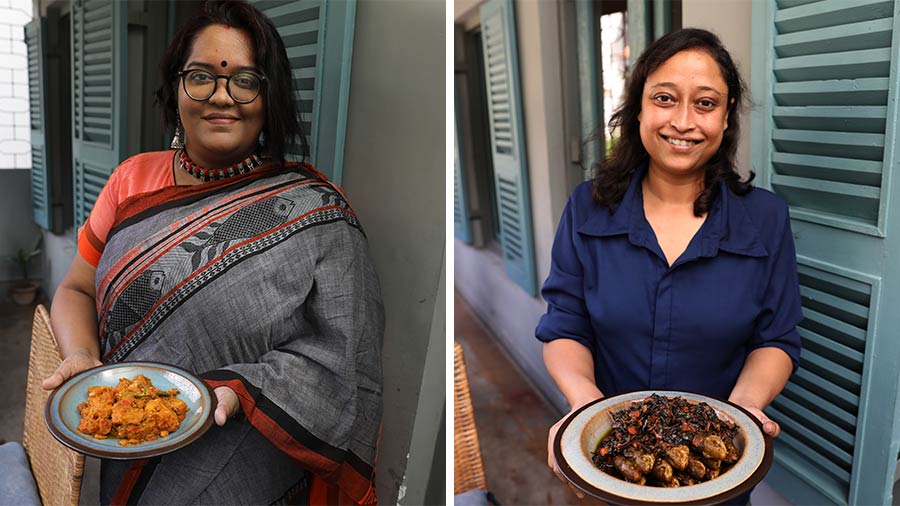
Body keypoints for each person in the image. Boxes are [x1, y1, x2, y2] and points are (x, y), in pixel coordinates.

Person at [41, 1, 383, 504]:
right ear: (176, 88)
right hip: (124, 442)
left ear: (270, 97)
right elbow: (74, 287)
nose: (222, 97)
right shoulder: (131, 180)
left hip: (247, 458)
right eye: (202, 76)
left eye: (246, 80)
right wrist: (84, 358)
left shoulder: (316, 210)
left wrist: (245, 389)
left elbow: (345, 359)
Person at [536, 28, 802, 501]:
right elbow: (565, 328)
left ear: (726, 115)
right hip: (614, 461)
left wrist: (744, 407)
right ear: (639, 106)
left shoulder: (766, 218)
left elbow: (776, 339)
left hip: (714, 470)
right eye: (664, 98)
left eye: (705, 103)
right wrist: (584, 407)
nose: (683, 121)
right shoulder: (586, 209)